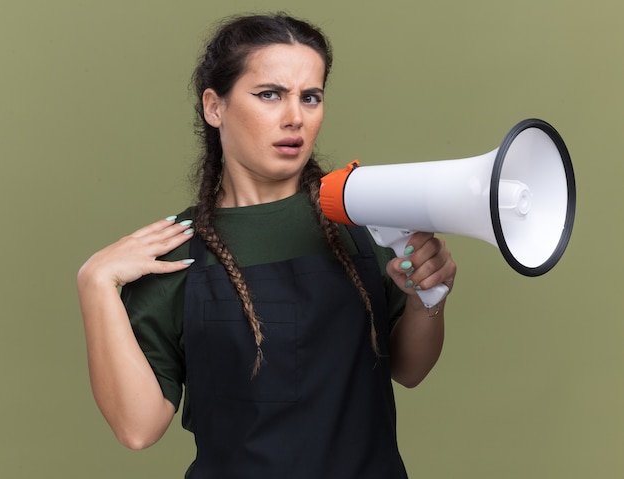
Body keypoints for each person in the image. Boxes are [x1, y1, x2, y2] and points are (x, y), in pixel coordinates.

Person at [77, 13, 457, 478]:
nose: (295, 116)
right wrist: (95, 282)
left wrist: (427, 300)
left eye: (310, 97)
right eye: (270, 95)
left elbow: (409, 370)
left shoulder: (364, 217)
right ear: (214, 107)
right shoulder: (175, 251)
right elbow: (138, 428)